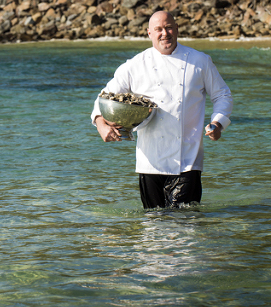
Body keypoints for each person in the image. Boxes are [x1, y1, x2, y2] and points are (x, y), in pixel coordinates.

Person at [91, 11, 233, 209]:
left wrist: (218, 123)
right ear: (149, 33)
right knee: (153, 222)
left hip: (187, 160)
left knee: (183, 221)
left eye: (168, 28)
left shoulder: (200, 61)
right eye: (158, 29)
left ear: (177, 29)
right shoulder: (134, 65)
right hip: (149, 160)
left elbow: (222, 95)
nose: (164, 33)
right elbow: (104, 98)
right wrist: (101, 124)